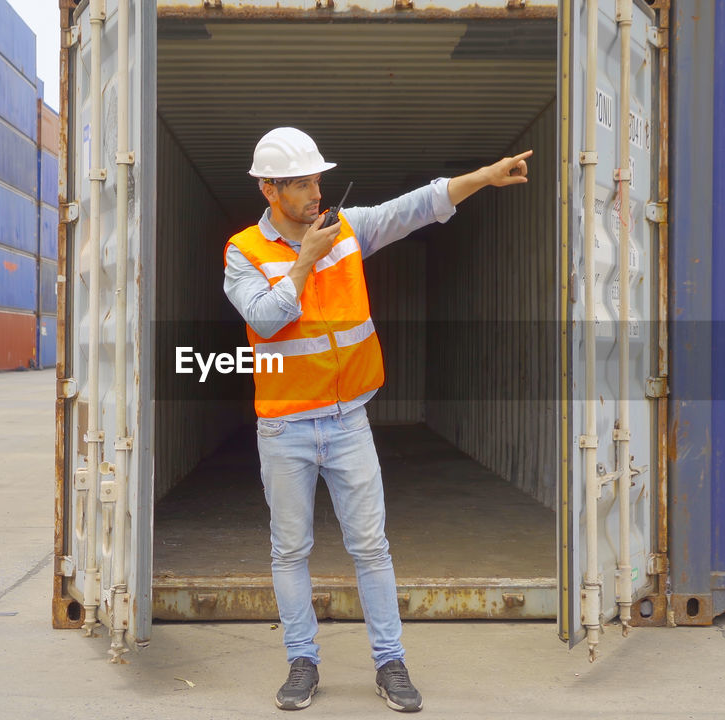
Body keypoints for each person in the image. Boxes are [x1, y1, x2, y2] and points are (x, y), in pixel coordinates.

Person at [223, 127, 531, 712]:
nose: (317, 191)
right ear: (269, 189)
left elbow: (419, 206)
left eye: (318, 179)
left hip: (348, 422)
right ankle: (302, 661)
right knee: (290, 551)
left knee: (371, 548)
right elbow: (264, 321)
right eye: (302, 183)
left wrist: (484, 178)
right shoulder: (245, 251)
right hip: (285, 427)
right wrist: (303, 264)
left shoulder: (347, 232)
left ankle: (390, 663)